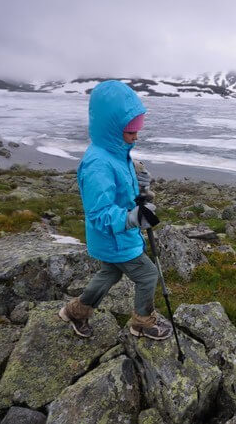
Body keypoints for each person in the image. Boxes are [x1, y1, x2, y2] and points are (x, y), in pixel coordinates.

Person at [58, 80, 172, 341]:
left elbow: (120, 192)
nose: (136, 136)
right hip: (115, 236)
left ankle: (75, 312)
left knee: (110, 273)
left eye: (137, 130)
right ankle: (142, 322)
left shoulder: (116, 152)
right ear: (112, 128)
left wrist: (139, 182)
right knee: (147, 274)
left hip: (114, 237)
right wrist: (134, 218)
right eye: (131, 131)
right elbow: (99, 213)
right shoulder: (98, 164)